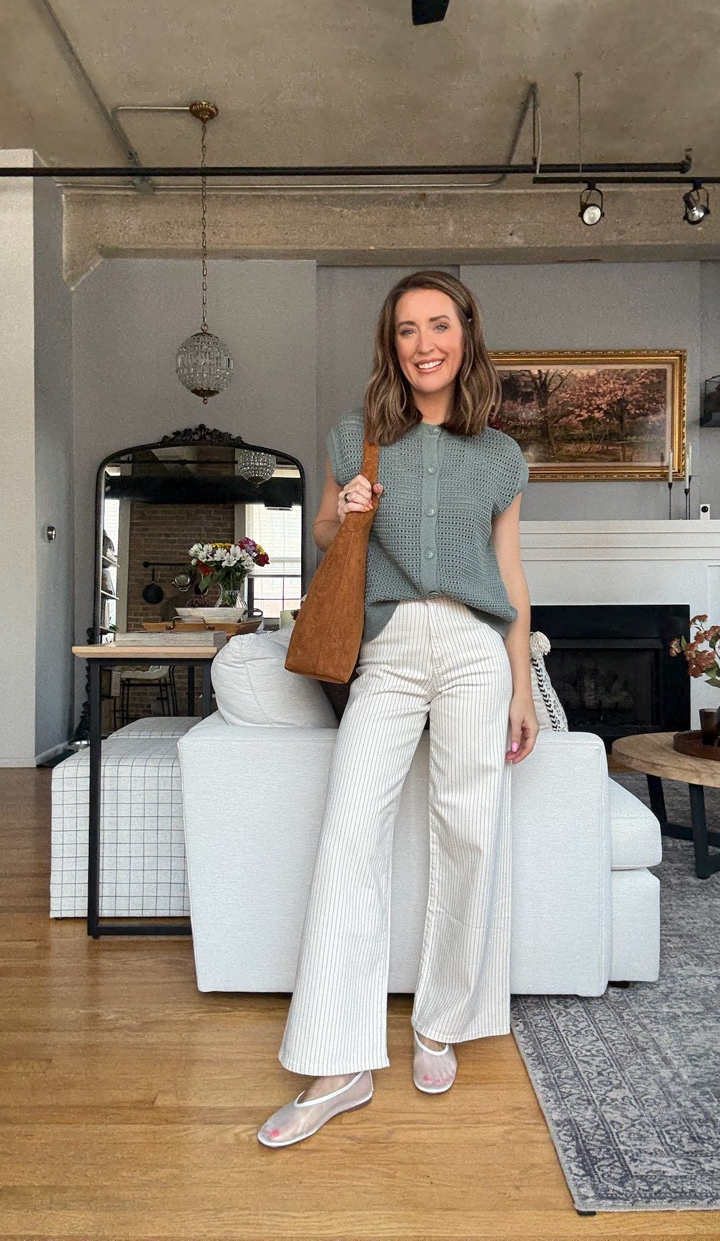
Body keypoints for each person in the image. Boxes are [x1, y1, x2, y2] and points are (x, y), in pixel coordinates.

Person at [258, 270, 539, 1148]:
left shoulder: (500, 455)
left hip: (470, 650)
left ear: (466, 335)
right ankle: (336, 1064)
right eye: (408, 329)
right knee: (349, 833)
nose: (425, 343)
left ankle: (439, 1023)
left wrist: (522, 682)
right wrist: (341, 512)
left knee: (469, 831)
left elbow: (512, 576)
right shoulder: (357, 433)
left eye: (440, 325)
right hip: (385, 650)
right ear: (392, 343)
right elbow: (321, 538)